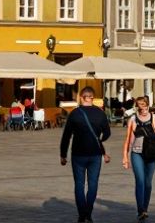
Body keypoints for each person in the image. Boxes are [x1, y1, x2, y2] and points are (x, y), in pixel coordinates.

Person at [59, 87, 112, 223]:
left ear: (82, 97)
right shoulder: (100, 113)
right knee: (93, 184)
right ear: (92, 98)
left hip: (78, 154)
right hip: (95, 154)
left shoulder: (75, 114)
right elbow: (107, 133)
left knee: (79, 184)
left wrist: (63, 155)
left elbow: (66, 136)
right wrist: (99, 140)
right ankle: (88, 212)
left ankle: (82, 214)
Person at [122, 96, 155, 222]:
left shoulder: (154, 118)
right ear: (137, 107)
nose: (144, 109)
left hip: (151, 154)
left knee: (148, 183)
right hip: (137, 153)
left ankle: (145, 208)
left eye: (145, 106)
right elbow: (128, 139)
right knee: (140, 181)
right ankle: (140, 211)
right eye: (141, 107)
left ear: (148, 105)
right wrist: (125, 157)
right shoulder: (133, 119)